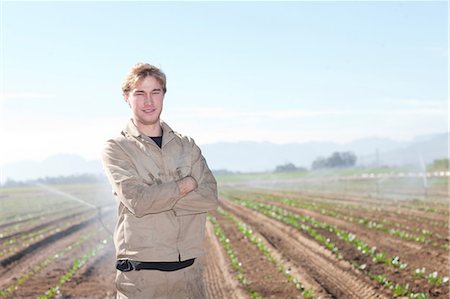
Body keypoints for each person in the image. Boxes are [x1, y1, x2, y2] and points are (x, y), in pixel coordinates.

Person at [102, 62, 219, 299]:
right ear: (126, 97)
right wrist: (183, 186)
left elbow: (209, 198)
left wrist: (159, 195)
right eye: (140, 93)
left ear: (164, 95)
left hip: (188, 274)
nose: (149, 101)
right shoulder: (117, 148)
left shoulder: (187, 145)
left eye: (155, 92)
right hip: (142, 277)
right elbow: (139, 202)